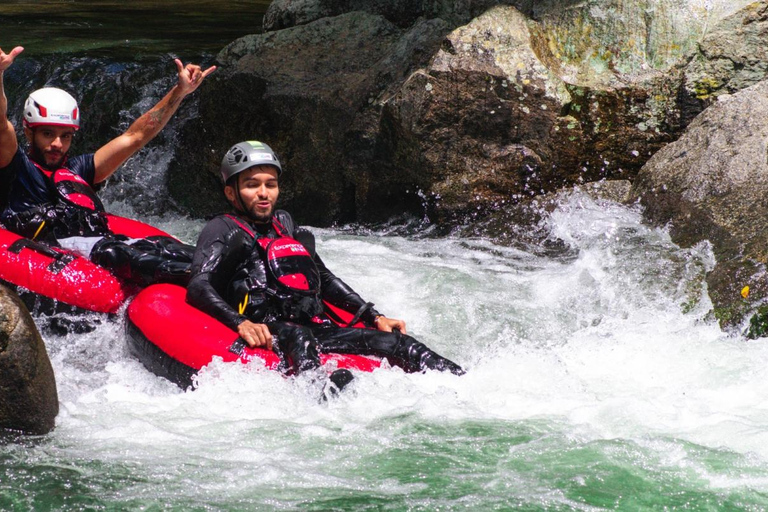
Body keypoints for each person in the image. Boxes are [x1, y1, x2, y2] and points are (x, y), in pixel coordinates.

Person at [186, 141, 464, 394]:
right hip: (271, 328)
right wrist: (241, 322)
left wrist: (373, 316)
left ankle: (463, 383)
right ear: (231, 193)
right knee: (299, 335)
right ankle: (318, 398)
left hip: (314, 324)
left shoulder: (285, 224)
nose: (263, 193)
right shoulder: (220, 228)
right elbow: (198, 286)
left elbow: (323, 278)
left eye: (270, 184)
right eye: (251, 184)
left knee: (401, 344)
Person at [0, 45, 215, 286]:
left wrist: (180, 91)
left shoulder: (78, 169)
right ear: (29, 133)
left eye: (66, 136)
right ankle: (208, 282)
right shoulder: (15, 167)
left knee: (170, 248)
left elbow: (135, 137)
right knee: (121, 254)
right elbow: (1, 126)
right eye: (48, 134)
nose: (57, 144)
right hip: (61, 250)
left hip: (98, 241)